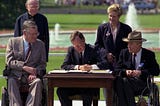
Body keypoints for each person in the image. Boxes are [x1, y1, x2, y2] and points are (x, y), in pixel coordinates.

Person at [57, 31, 110, 106]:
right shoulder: (71, 50)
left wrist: (91, 67)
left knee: (87, 93)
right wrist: (78, 67)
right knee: (61, 91)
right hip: (74, 84)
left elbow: (105, 64)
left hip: (90, 85)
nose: (77, 48)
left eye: (79, 45)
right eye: (75, 46)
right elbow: (64, 66)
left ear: (84, 40)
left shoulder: (93, 49)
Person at [6, 20, 46, 106]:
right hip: (16, 75)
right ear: (24, 33)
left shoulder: (40, 44)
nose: (35, 36)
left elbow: (42, 64)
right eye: (32, 34)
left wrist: (35, 72)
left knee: (38, 82)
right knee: (11, 81)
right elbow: (9, 61)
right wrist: (24, 67)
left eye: (36, 33)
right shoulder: (13, 42)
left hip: (32, 77)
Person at [114, 30, 159, 106]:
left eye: (131, 43)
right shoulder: (124, 53)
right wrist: (126, 72)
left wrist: (140, 73)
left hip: (143, 83)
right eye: (128, 43)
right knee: (121, 80)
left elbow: (156, 71)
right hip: (126, 83)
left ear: (139, 44)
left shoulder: (149, 55)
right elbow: (116, 70)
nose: (128, 46)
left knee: (123, 82)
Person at [94, 3, 132, 70]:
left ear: (119, 16)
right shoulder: (102, 28)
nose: (111, 18)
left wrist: (120, 56)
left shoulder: (127, 29)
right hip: (106, 63)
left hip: (122, 63)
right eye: (110, 16)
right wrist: (106, 54)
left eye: (114, 16)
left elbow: (129, 46)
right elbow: (98, 45)